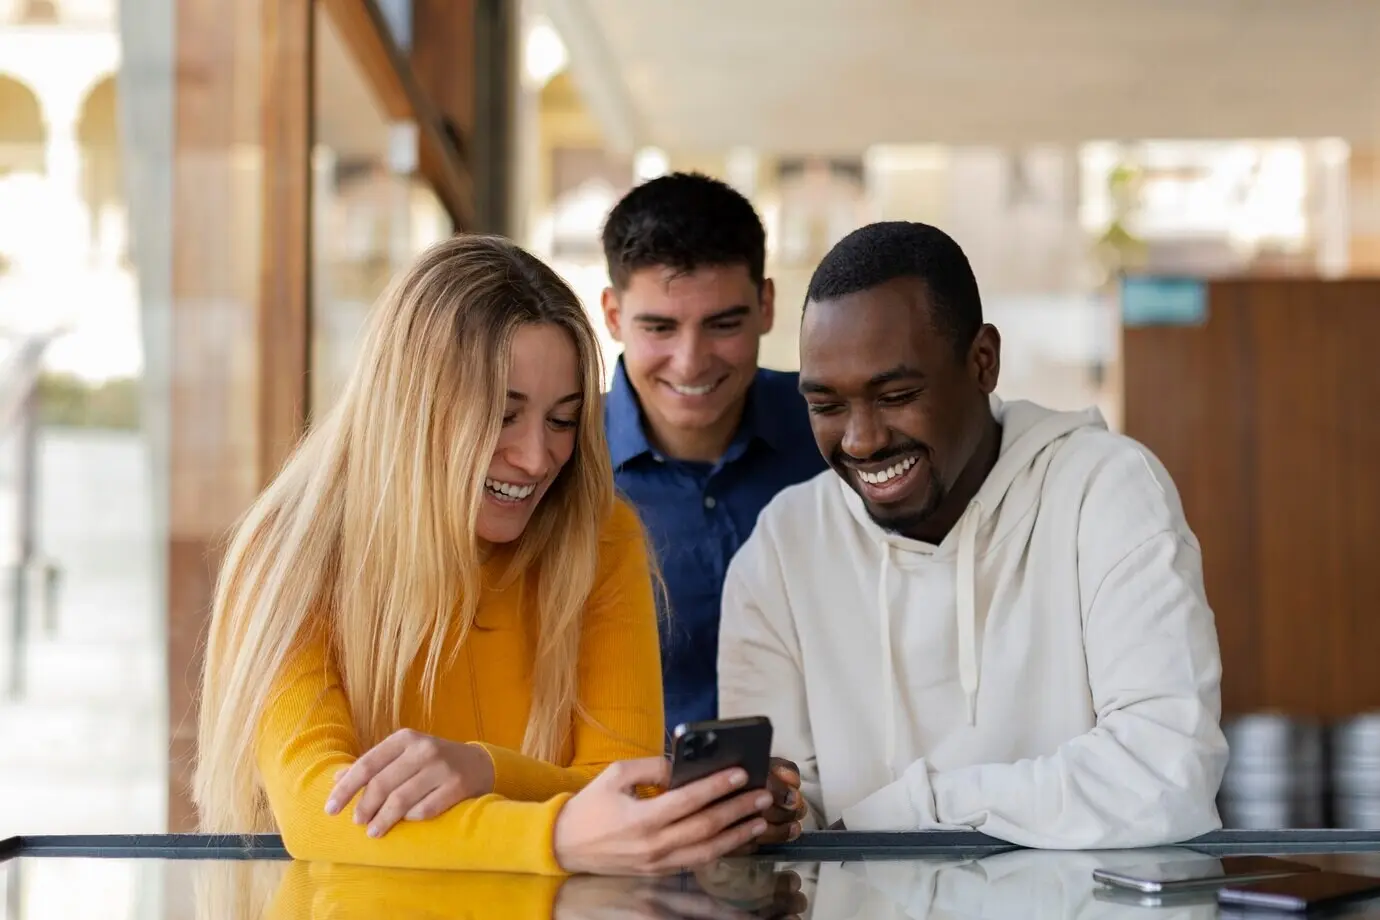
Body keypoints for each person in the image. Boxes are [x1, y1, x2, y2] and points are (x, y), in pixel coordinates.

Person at [193, 235, 776, 876]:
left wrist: (481, 769)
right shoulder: (289, 554)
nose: (536, 458)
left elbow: (623, 789)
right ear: (412, 406)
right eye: (502, 415)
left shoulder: (601, 536)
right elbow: (320, 812)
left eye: (563, 421)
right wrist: (551, 836)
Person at [718, 221, 1229, 848]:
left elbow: (1166, 773)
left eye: (897, 394)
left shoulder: (1107, 493)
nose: (861, 440)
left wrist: (913, 807)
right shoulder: (781, 548)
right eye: (826, 405)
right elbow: (792, 821)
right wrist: (766, 818)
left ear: (983, 361)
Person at [599, 172, 826, 737]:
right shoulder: (559, 460)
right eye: (659, 327)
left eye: (723, 324)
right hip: (634, 807)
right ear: (611, 316)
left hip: (840, 807)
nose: (691, 361)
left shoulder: (839, 432)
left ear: (767, 304)